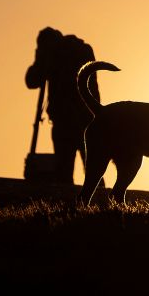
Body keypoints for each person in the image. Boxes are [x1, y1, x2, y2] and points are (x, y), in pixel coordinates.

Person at [24, 27, 99, 184]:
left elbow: (31, 80)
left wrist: (40, 57)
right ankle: (99, 202)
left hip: (65, 121)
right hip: (89, 118)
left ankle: (69, 202)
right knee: (93, 167)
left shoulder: (52, 54)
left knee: (64, 172)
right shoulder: (83, 50)